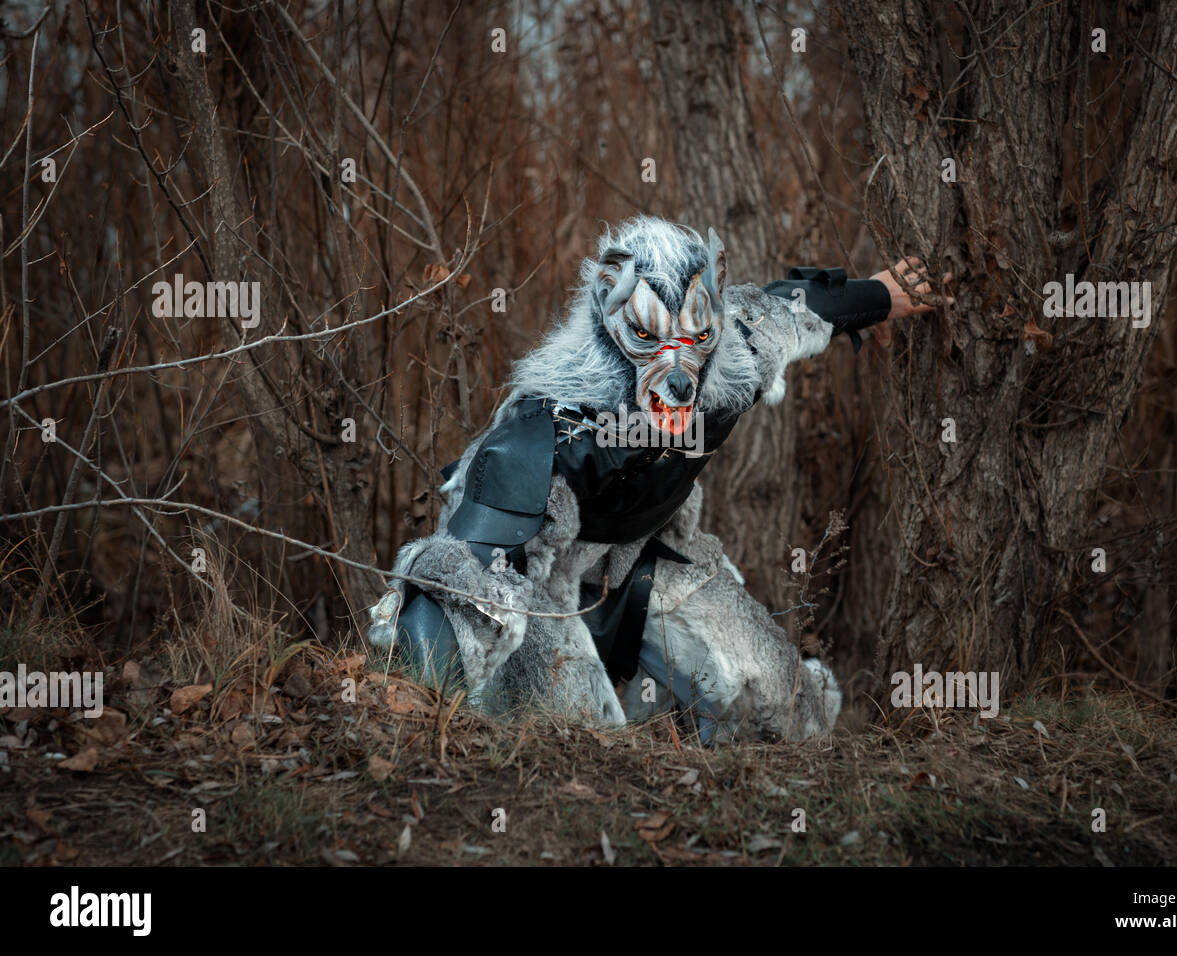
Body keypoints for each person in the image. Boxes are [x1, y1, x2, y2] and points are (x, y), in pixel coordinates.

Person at [368, 215, 950, 742]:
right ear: (608, 319)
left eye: (695, 338)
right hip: (541, 586)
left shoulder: (734, 355)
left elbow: (794, 306)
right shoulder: (546, 431)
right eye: (647, 337)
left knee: (788, 709)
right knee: (577, 743)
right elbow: (462, 575)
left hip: (644, 555)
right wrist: (416, 706)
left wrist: (884, 294)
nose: (677, 376)